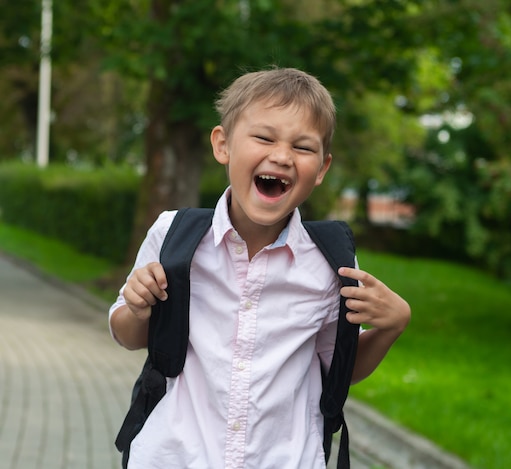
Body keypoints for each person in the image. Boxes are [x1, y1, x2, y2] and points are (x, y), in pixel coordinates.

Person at [109, 67, 411, 468]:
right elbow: (128, 335)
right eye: (264, 137)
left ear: (321, 169)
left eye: (303, 148)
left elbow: (341, 367)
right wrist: (137, 307)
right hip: (175, 457)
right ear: (223, 145)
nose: (282, 156)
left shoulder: (330, 263)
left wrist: (392, 326)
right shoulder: (173, 235)